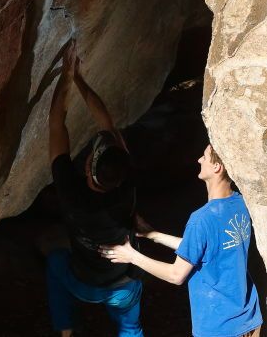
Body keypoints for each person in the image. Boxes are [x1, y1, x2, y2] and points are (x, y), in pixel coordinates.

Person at [100, 144, 263, 337]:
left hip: (220, 327)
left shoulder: (202, 219)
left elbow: (176, 275)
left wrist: (132, 256)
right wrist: (155, 236)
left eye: (204, 157)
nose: (199, 160)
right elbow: (205, 249)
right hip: (250, 319)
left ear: (217, 168)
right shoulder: (240, 203)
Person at [47, 40, 144, 337]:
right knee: (130, 324)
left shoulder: (71, 194)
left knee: (55, 262)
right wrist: (78, 78)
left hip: (84, 286)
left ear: (88, 168)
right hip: (122, 285)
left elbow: (56, 125)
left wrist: (69, 76)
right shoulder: (125, 187)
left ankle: (65, 330)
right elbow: (108, 126)